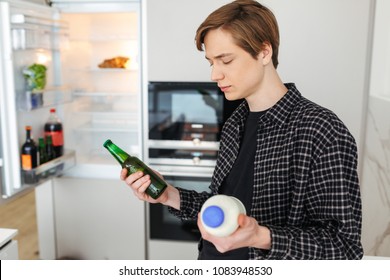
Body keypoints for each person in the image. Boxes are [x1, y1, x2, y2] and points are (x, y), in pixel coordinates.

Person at [121, 0, 364, 259]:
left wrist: (261, 236)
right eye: (211, 62)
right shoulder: (235, 123)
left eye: (225, 60)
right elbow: (223, 209)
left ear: (263, 52)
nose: (215, 75)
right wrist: (168, 194)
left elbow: (344, 248)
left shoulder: (320, 129)